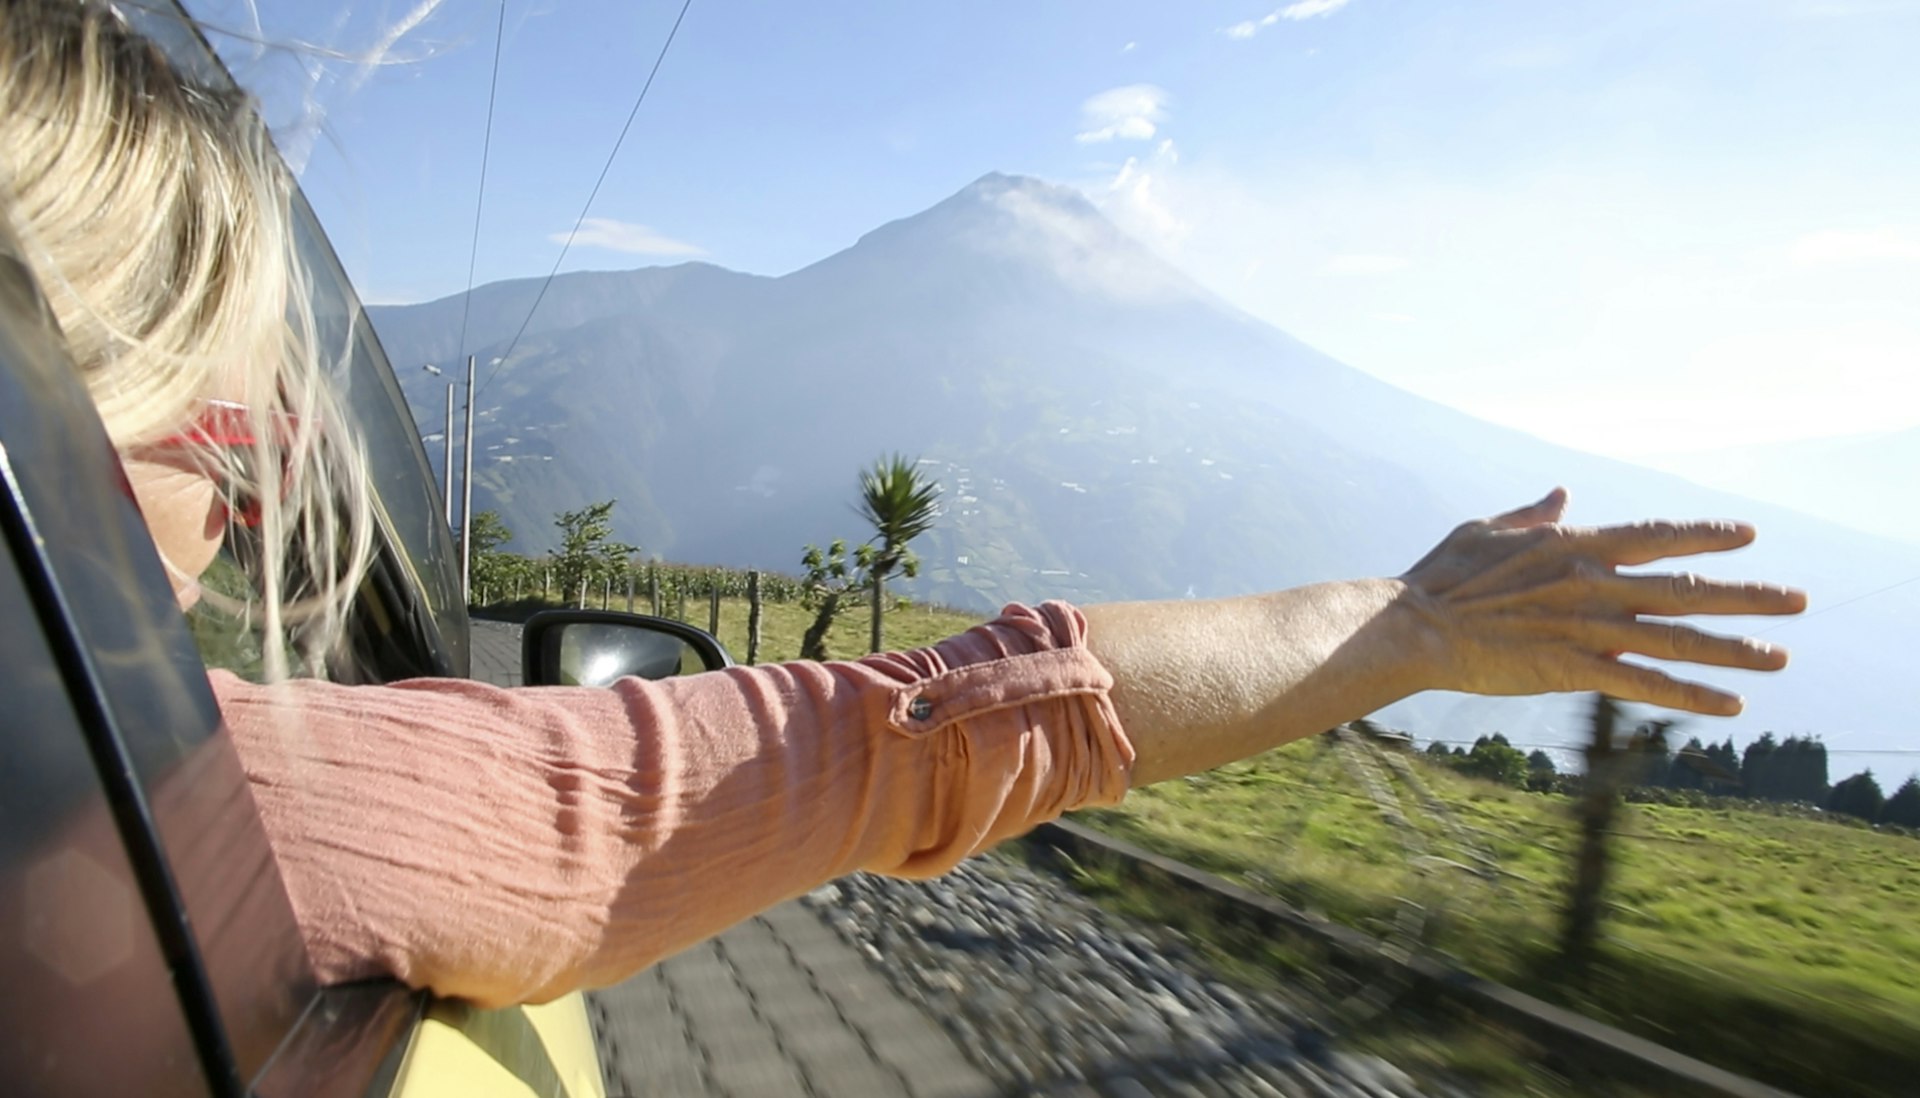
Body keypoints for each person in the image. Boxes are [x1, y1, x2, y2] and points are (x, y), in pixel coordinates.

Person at [0, 0, 1807, 1009]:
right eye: (226, 424)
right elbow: (906, 735)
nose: (257, 494)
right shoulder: (242, 814)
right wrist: (1401, 627)